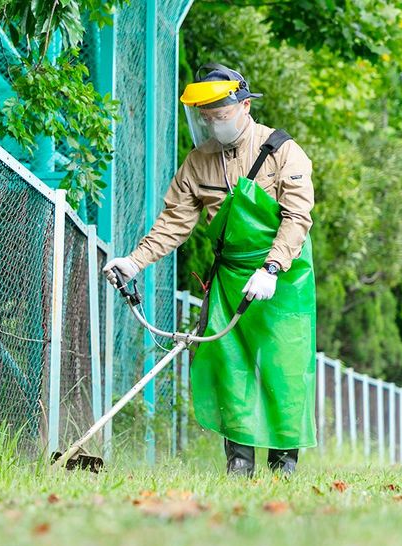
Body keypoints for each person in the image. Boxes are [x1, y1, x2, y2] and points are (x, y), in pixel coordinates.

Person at [103, 63, 317, 477]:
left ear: (244, 105)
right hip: (230, 276)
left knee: (284, 364)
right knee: (229, 364)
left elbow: (297, 216)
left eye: (222, 116)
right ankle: (239, 461)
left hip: (285, 278)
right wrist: (134, 261)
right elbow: (173, 223)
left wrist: (272, 267)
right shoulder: (199, 163)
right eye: (208, 119)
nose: (215, 126)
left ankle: (284, 461)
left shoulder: (283, 150)